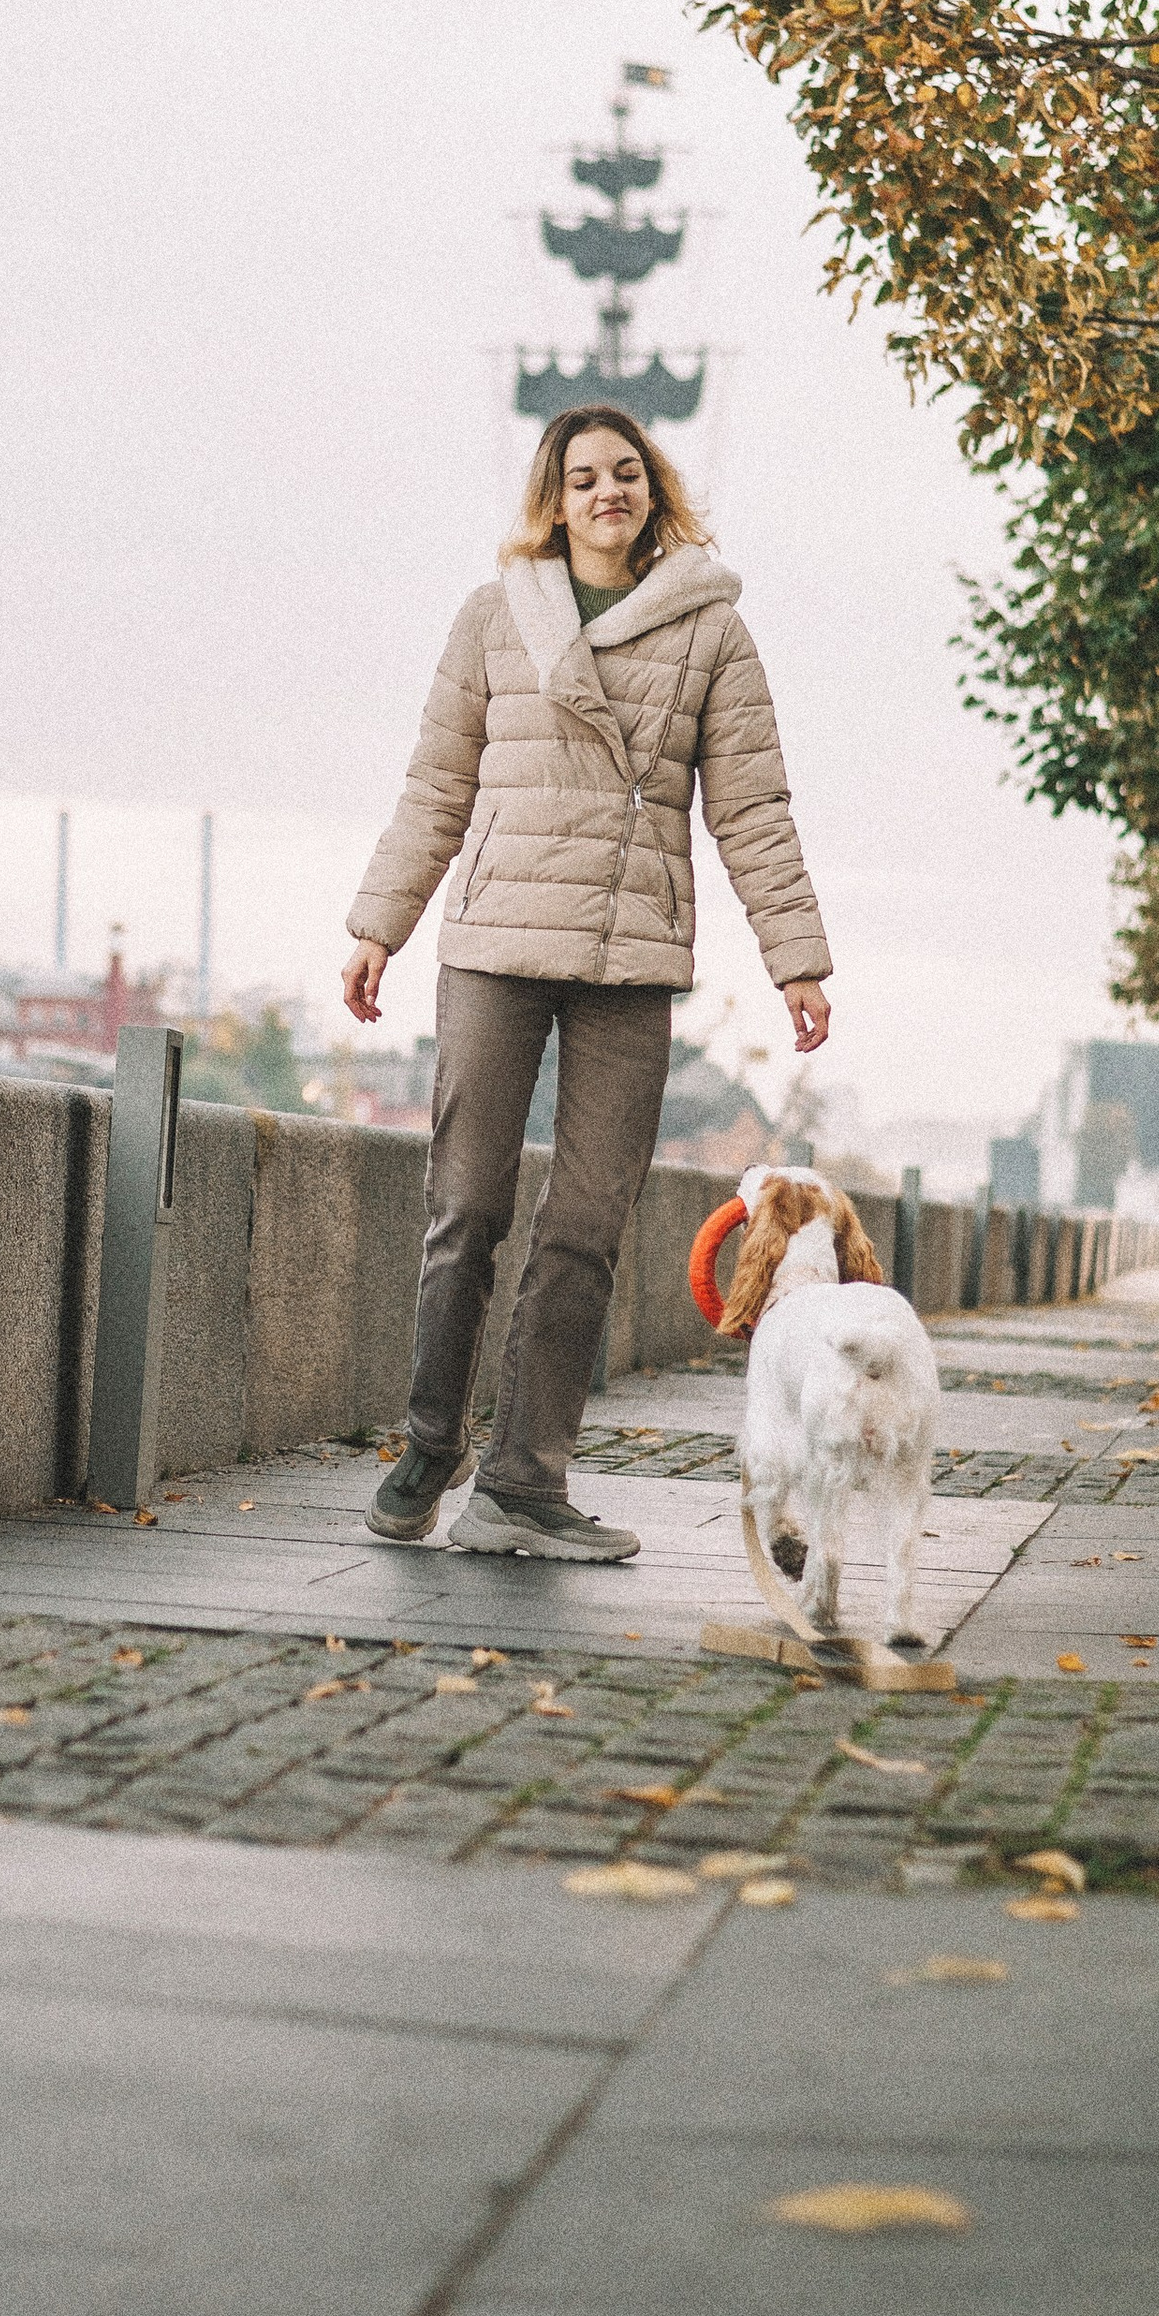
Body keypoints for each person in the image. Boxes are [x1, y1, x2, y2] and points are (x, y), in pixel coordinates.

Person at [342, 405, 832, 1561]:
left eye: (625, 473)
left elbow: (752, 808)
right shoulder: (491, 616)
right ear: (552, 501)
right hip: (495, 942)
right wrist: (378, 927)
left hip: (628, 955)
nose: (605, 492)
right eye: (582, 478)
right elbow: (435, 787)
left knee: (588, 1225)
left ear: (651, 492)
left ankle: (523, 1480)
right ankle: (429, 1440)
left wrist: (796, 958)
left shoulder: (713, 631)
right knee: (465, 1206)